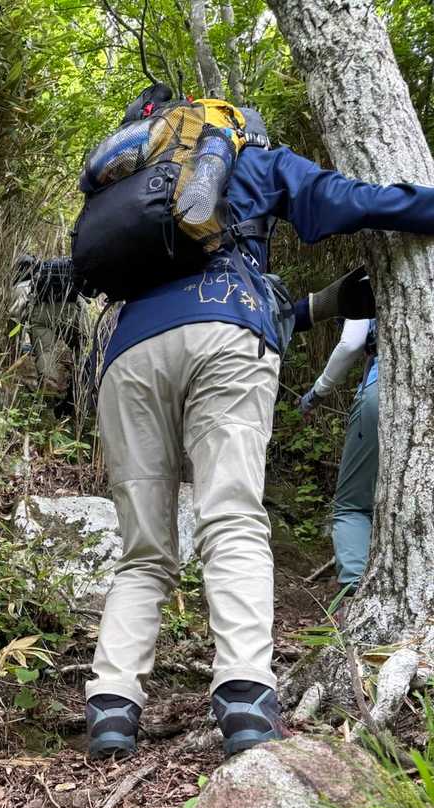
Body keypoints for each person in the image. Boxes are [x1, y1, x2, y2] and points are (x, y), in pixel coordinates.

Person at [82, 88, 434, 760]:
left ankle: (112, 709)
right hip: (226, 333)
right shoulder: (250, 156)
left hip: (127, 356)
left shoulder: (132, 187)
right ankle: (244, 699)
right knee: (232, 518)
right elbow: (349, 200)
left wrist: (317, 306)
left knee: (144, 550)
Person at [300, 316, 378, 590]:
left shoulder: (370, 288)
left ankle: (356, 590)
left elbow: (351, 343)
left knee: (352, 505)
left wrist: (316, 394)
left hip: (384, 390)